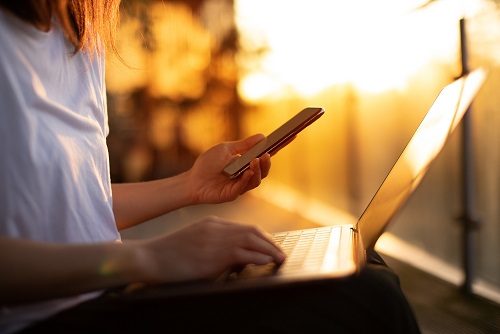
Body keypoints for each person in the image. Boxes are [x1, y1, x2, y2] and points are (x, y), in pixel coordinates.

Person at [0, 1, 421, 333]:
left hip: (105, 291)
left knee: (363, 267)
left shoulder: (79, 35)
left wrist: (191, 185)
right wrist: (149, 258)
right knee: (364, 300)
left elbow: (67, 205)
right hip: (38, 320)